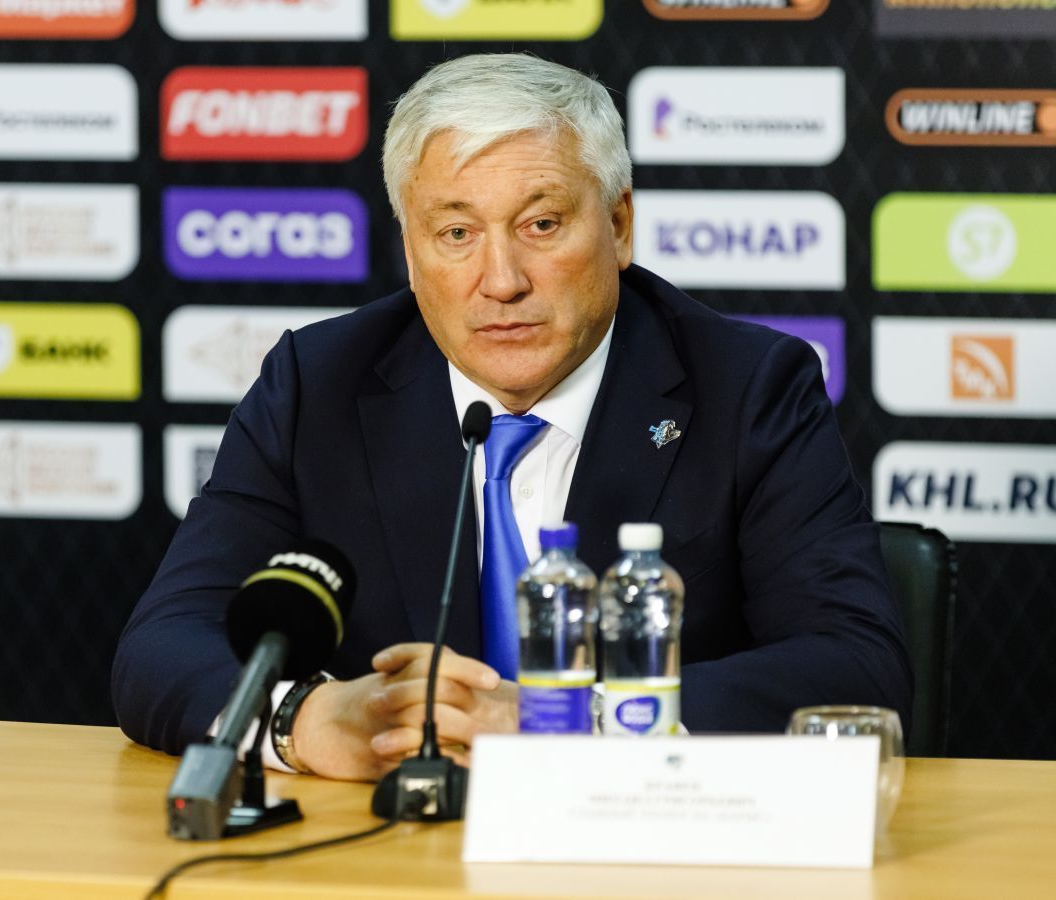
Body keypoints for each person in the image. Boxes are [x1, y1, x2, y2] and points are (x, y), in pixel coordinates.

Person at [113, 53, 912, 782]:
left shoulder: (747, 388)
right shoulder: (315, 386)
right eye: (456, 233)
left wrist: (567, 723)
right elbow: (161, 645)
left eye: (541, 224)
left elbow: (856, 667)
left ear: (619, 225)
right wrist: (308, 720)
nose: (501, 281)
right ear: (410, 249)